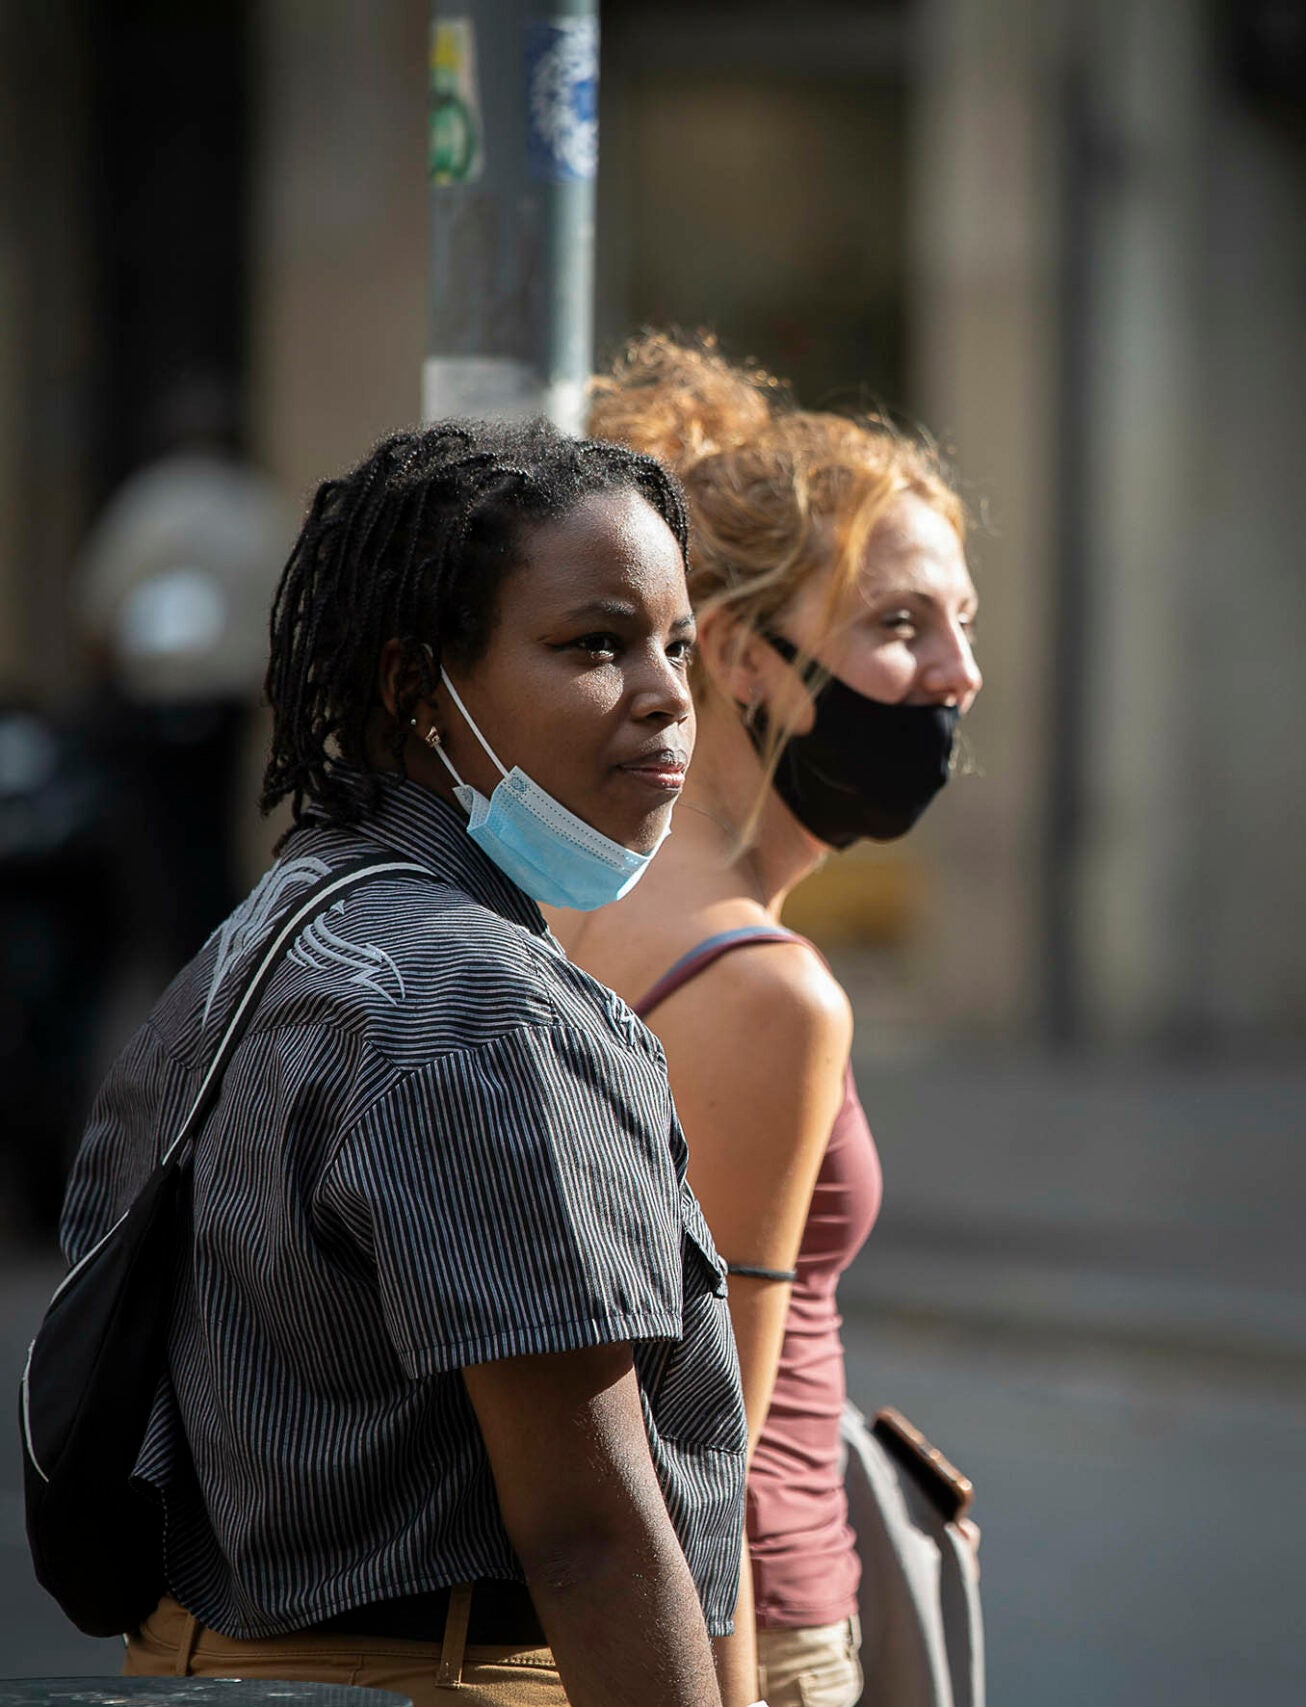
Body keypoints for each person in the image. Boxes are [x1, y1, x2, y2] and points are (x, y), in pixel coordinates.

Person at [65, 419, 749, 1706]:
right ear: (413, 686)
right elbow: (592, 1535)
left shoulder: (286, 920)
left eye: (678, 647)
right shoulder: (489, 1016)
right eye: (593, 644)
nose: (664, 693)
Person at [551, 333, 982, 1707]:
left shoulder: (567, 888)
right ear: (739, 651)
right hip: (766, 1649)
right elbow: (700, 1462)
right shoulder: (758, 981)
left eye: (964, 623)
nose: (958, 673)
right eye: (901, 624)